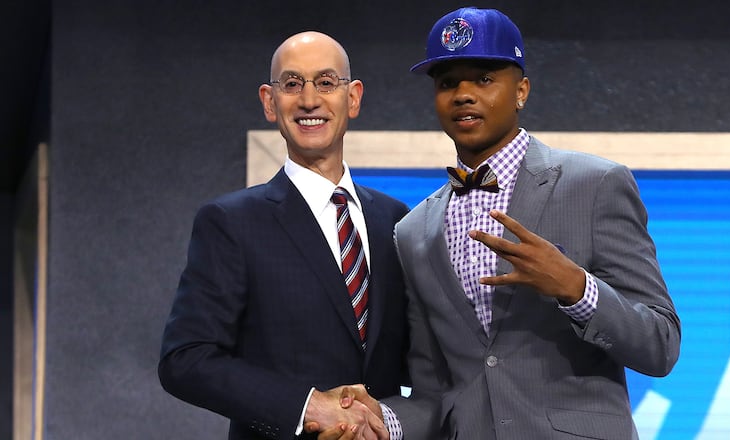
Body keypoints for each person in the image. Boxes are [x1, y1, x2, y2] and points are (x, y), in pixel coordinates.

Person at [327, 6, 682, 440]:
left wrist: (575, 288)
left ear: (522, 91)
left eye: (484, 78)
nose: (463, 94)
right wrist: (384, 422)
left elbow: (660, 344)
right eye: (447, 83)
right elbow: (434, 392)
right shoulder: (413, 231)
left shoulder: (595, 184)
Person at [158, 31, 410, 440]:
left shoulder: (395, 220)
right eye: (292, 84)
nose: (309, 100)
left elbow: (419, 362)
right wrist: (307, 406)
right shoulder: (230, 222)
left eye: (326, 82)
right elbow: (185, 359)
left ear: (353, 97)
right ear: (269, 102)